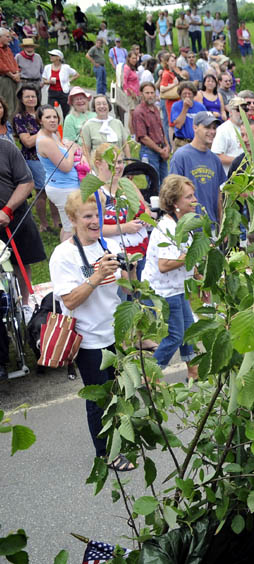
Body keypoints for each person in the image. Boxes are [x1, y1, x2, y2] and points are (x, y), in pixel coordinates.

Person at [49, 190, 135, 472]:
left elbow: (126, 288)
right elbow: (70, 300)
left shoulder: (104, 245)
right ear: (73, 219)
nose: (95, 221)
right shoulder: (63, 255)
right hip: (87, 340)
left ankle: (118, 443)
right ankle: (105, 454)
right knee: (99, 399)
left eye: (97, 214)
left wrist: (130, 269)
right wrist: (96, 277)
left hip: (112, 334)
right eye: (88, 216)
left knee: (116, 394)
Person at [141, 174, 199, 382]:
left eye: (193, 195)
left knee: (189, 328)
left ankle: (193, 369)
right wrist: (192, 256)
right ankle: (151, 375)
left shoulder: (184, 223)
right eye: (188, 197)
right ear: (175, 203)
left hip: (177, 286)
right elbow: (164, 265)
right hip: (164, 290)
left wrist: (200, 276)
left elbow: (190, 256)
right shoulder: (167, 228)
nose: (194, 200)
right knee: (175, 335)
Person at [0, 135, 47, 323]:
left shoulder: (6, 148)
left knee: (22, 262)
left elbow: (26, 182)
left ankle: (24, 306)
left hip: (13, 215)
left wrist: (7, 210)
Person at [91, 143, 149, 279]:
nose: (117, 166)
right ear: (98, 164)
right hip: (116, 258)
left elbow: (144, 208)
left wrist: (145, 217)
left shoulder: (127, 185)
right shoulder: (96, 192)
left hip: (141, 252)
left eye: (120, 162)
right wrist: (124, 228)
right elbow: (94, 228)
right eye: (112, 162)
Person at [13, 86, 60, 233]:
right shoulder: (19, 118)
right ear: (21, 99)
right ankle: (44, 224)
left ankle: (57, 222)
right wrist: (43, 131)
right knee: (42, 192)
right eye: (27, 97)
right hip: (33, 159)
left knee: (54, 190)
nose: (31, 99)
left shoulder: (44, 112)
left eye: (33, 96)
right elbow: (27, 142)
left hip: (51, 155)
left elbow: (55, 132)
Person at [168, 110, 225, 225]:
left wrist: (221, 222)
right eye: (207, 127)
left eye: (214, 128)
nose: (212, 131)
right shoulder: (181, 156)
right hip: (189, 227)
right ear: (195, 128)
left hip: (211, 227)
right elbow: (172, 192)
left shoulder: (215, 160)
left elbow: (219, 194)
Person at [35, 104, 80, 240]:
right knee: (70, 228)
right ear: (40, 120)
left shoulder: (53, 135)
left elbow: (61, 150)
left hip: (67, 185)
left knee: (70, 226)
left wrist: (66, 144)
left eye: (55, 117)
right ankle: (65, 257)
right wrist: (71, 150)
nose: (53, 120)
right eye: (48, 117)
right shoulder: (45, 141)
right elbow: (65, 166)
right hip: (62, 188)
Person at [132, 82, 169, 186]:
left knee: (165, 183)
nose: (150, 95)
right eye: (147, 93)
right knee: (154, 183)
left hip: (161, 149)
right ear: (141, 94)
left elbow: (161, 130)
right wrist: (161, 151)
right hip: (149, 151)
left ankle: (164, 202)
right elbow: (143, 137)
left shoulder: (155, 109)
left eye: (152, 93)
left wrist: (167, 145)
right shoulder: (139, 112)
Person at [211, 96, 247, 174]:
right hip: (228, 177)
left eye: (245, 109)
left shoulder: (249, 128)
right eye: (238, 110)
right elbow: (216, 156)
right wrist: (241, 161)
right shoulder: (223, 130)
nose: (242, 112)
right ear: (230, 112)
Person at [42, 48, 78, 116]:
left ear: (58, 57)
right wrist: (49, 82)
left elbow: (76, 74)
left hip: (63, 92)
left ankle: (66, 125)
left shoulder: (66, 67)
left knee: (66, 112)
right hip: (52, 92)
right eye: (50, 55)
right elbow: (43, 79)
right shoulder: (47, 67)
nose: (50, 56)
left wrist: (69, 80)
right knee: (49, 110)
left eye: (52, 55)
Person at [170, 81, 206, 148]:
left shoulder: (201, 107)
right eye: (184, 94)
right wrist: (185, 108)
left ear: (194, 94)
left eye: (189, 93)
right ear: (180, 94)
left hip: (197, 142)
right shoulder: (176, 106)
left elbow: (205, 125)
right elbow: (178, 125)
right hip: (182, 142)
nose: (187, 96)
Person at [0, 28, 20, 111]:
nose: (10, 39)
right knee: (7, 104)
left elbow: (14, 62)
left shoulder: (8, 49)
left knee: (16, 104)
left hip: (14, 78)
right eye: (7, 37)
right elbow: (1, 66)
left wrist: (17, 73)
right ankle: (6, 123)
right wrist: (12, 75)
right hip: (5, 79)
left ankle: (14, 123)